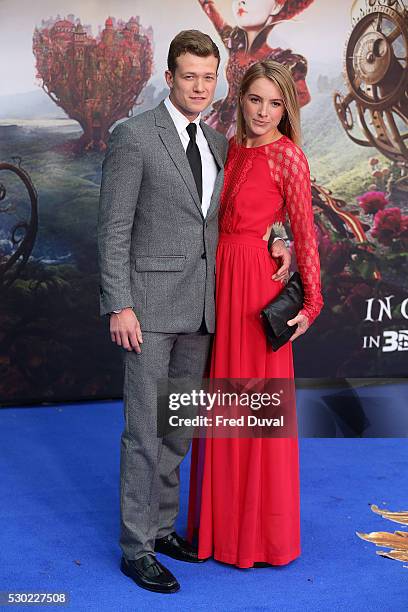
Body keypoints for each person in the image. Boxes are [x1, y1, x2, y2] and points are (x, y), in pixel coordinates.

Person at [98, 30, 291, 593]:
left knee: (177, 428)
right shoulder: (134, 137)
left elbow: (248, 211)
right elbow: (112, 229)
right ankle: (137, 548)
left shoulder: (218, 143)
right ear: (170, 76)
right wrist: (120, 304)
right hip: (149, 311)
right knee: (142, 432)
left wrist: (280, 237)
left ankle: (161, 529)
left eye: (209, 77)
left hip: (204, 310)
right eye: (190, 76)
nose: (201, 87)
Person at [188, 60, 324, 568]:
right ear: (240, 99)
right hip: (217, 279)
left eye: (275, 103)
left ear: (286, 107)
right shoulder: (227, 145)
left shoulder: (289, 157)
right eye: (255, 100)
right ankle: (219, 530)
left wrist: (312, 301)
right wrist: (277, 234)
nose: (264, 112)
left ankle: (257, 538)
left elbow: (304, 232)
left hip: (253, 289)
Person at [197, 0, 314, 137]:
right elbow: (209, 9)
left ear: (277, 6)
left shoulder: (281, 60)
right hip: (219, 121)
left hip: (246, 132)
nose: (242, 2)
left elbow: (303, 96)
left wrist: (267, 116)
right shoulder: (235, 43)